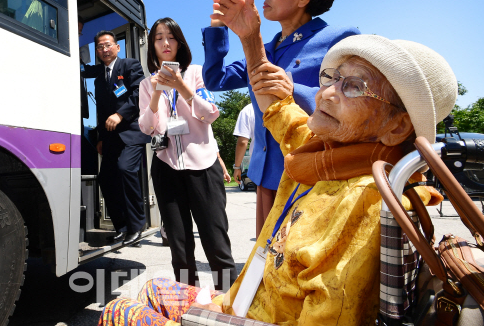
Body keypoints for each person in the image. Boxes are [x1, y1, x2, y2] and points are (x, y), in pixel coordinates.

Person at [98, 18, 455, 326]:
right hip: (243, 297)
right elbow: (279, 110)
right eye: (331, 77)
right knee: (154, 283)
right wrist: (250, 37)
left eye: (354, 86)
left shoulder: (366, 201)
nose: (326, 92)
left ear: (396, 127)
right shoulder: (323, 154)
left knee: (119, 311)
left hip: (255, 316)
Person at [202, 0, 360, 237]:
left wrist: (294, 89)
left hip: (311, 175)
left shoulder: (340, 39)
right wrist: (218, 29)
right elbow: (215, 79)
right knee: (267, 267)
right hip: (267, 175)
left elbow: (355, 105)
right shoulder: (267, 47)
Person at [137, 17, 238, 292]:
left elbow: (210, 114)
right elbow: (148, 127)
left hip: (203, 165)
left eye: (170, 37)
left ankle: (229, 303)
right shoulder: (146, 85)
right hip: (166, 167)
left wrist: (181, 86)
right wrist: (158, 92)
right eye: (158, 38)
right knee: (179, 247)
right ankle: (188, 303)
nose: (165, 43)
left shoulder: (196, 73)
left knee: (216, 240)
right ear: (152, 46)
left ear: (180, 42)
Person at [82, 31, 150, 245]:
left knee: (125, 169)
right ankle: (121, 226)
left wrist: (121, 114)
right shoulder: (99, 77)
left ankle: (137, 225)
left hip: (131, 132)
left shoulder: (130, 65)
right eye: (100, 47)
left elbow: (139, 93)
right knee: (106, 179)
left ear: (117, 47)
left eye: (108, 45)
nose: (104, 49)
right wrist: (100, 137)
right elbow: (101, 112)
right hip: (110, 137)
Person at [233, 103, 255, 186]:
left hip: (261, 164)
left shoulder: (248, 109)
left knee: (267, 198)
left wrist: (237, 167)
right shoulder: (291, 101)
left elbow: (242, 142)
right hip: (289, 158)